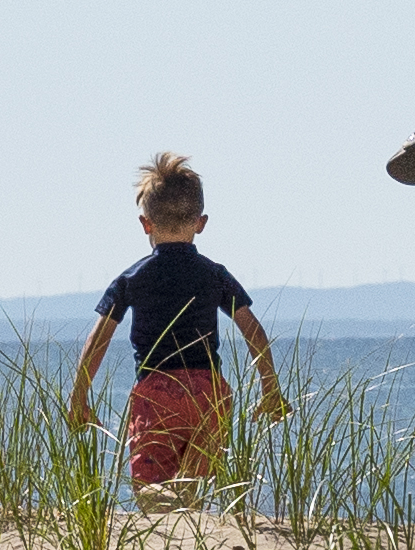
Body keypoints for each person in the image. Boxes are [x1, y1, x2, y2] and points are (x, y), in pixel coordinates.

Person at [69, 150, 285, 492]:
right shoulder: (215, 275)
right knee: (191, 491)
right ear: (200, 222)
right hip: (209, 393)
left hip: (156, 393)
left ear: (145, 224)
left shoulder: (132, 278)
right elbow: (252, 330)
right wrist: (270, 388)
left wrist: (79, 397)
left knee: (152, 492)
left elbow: (99, 340)